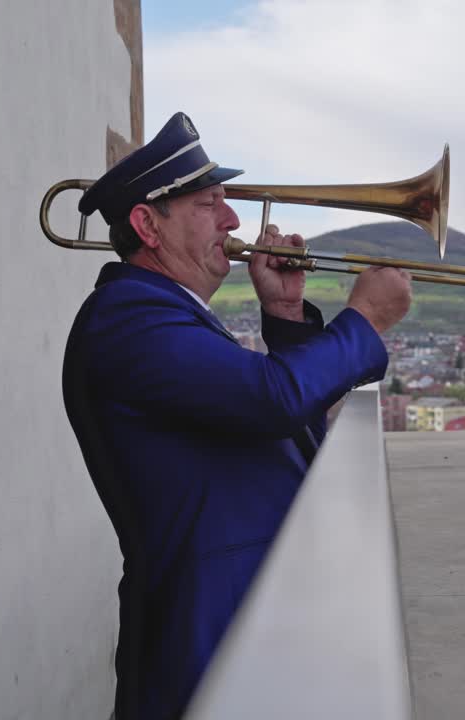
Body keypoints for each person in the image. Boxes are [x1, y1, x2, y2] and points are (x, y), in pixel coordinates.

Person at [61, 112, 411, 719]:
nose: (233, 221)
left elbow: (285, 432)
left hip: (242, 611)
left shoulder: (169, 315)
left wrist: (284, 312)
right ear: (147, 223)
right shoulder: (129, 320)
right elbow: (270, 402)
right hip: (203, 629)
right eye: (209, 203)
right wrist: (366, 321)